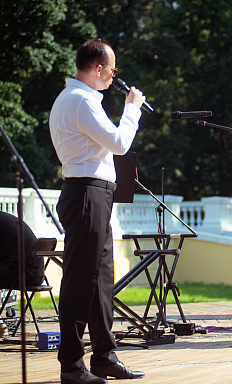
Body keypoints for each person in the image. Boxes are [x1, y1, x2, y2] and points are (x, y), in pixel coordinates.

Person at [50, 38, 146, 384]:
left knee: (102, 281)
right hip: (87, 193)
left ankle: (104, 358)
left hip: (95, 194)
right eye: (112, 69)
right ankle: (72, 366)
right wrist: (132, 107)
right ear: (100, 68)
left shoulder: (80, 99)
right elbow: (120, 144)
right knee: (81, 281)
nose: (115, 75)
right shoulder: (79, 101)